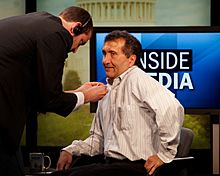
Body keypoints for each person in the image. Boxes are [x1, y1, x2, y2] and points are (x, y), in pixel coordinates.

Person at [53, 30, 184, 176]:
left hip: (136, 167)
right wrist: (70, 150)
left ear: (131, 60)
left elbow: (172, 108)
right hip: (110, 165)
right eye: (104, 53)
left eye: (113, 54)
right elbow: (98, 140)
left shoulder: (139, 80)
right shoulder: (107, 90)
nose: (105, 60)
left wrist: (164, 155)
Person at [0, 6, 108, 176]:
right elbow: (50, 100)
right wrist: (85, 96)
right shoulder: (57, 34)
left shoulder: (40, 22)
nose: (74, 50)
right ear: (76, 28)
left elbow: (42, 95)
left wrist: (75, 93)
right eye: (80, 42)